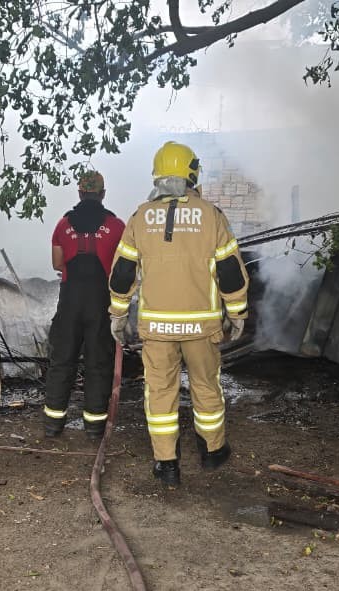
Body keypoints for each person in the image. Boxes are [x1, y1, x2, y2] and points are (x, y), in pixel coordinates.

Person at [107, 141, 250, 487]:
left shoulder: (140, 217)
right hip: (202, 327)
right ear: (191, 173)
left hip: (156, 329)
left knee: (160, 392)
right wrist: (237, 312)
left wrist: (118, 315)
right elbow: (229, 271)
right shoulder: (211, 215)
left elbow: (124, 273)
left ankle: (166, 464)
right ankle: (213, 452)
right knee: (206, 387)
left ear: (158, 175)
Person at [42, 170, 126, 440]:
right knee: (98, 362)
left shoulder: (62, 224)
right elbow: (122, 268)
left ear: (79, 193)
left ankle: (53, 424)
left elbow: (57, 264)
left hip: (70, 303)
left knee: (61, 361)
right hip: (101, 304)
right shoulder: (116, 226)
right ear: (102, 194)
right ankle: (94, 427)